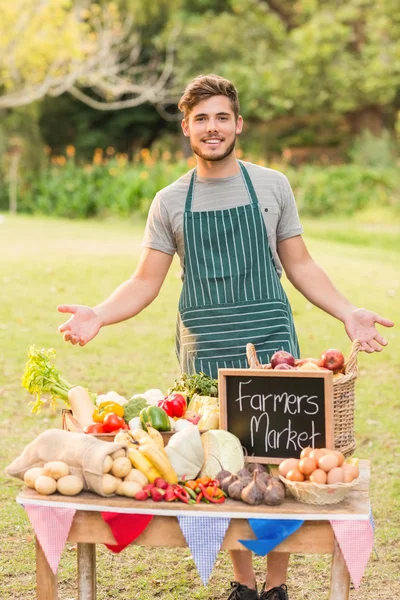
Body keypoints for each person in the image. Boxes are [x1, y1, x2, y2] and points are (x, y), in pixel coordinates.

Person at [58, 74, 394, 600]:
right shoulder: (169, 201)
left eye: (221, 117)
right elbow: (146, 280)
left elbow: (299, 263)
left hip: (271, 341)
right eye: (201, 119)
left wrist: (348, 311)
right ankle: (242, 585)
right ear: (187, 128)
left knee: (281, 461)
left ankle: (277, 586)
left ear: (237, 123)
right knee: (223, 462)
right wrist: (99, 314)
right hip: (205, 348)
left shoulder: (271, 185)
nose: (212, 128)